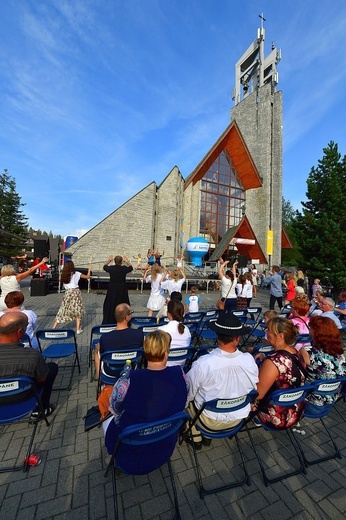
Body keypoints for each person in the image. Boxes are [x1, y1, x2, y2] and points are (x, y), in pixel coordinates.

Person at [103, 330, 188, 469]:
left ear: (145, 351)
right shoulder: (181, 375)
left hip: (129, 456)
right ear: (167, 353)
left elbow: (115, 409)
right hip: (164, 449)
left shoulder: (128, 380)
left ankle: (111, 456)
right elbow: (183, 401)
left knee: (108, 419)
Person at [186, 313, 258, 449]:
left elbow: (189, 393)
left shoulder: (203, 364)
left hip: (208, 421)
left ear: (217, 336)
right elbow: (253, 387)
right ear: (237, 339)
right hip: (238, 419)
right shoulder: (249, 361)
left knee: (187, 399)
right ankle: (205, 436)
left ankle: (196, 436)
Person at [0, 312, 58, 418]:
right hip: (24, 399)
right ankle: (41, 409)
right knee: (51, 368)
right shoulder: (31, 355)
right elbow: (41, 379)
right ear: (20, 332)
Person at [253, 317, 306, 429]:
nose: (266, 333)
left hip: (279, 417)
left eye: (269, 330)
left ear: (280, 336)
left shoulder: (272, 362)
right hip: (296, 410)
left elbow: (258, 394)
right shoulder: (297, 353)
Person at [299, 317, 346, 414]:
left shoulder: (307, 352)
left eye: (311, 328)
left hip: (311, 404)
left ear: (316, 332)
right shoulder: (339, 352)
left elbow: (298, 374)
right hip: (331, 400)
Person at [94, 303, 144, 377]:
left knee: (96, 350)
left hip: (110, 371)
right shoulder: (138, 334)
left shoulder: (105, 337)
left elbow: (101, 352)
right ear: (127, 317)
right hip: (132, 368)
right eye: (131, 313)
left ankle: (99, 377)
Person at [53, 261, 92, 334]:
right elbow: (87, 277)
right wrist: (89, 269)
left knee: (63, 309)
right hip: (76, 293)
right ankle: (77, 329)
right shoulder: (76, 273)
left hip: (67, 293)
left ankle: (53, 328)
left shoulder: (63, 274)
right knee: (78, 310)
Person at [158, 300, 191, 367]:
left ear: (168, 314)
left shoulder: (161, 330)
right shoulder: (186, 330)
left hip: (164, 366)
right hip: (181, 365)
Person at [102, 255, 133, 324]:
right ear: (121, 262)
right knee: (122, 302)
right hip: (122, 288)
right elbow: (131, 268)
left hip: (113, 288)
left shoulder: (111, 268)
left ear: (114, 261)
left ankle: (111, 318)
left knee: (111, 303)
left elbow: (104, 267)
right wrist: (127, 261)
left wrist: (109, 260)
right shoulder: (124, 269)